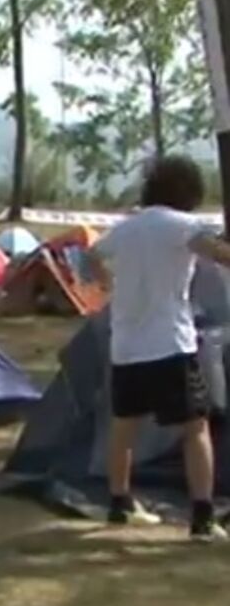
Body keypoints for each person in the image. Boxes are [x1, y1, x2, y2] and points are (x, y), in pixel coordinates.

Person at [88, 155, 230, 542]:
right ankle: (202, 518)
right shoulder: (182, 225)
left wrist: (107, 284)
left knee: (123, 426)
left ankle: (120, 503)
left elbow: (93, 254)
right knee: (195, 428)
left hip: (126, 345)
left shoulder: (127, 228)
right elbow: (218, 254)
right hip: (170, 344)